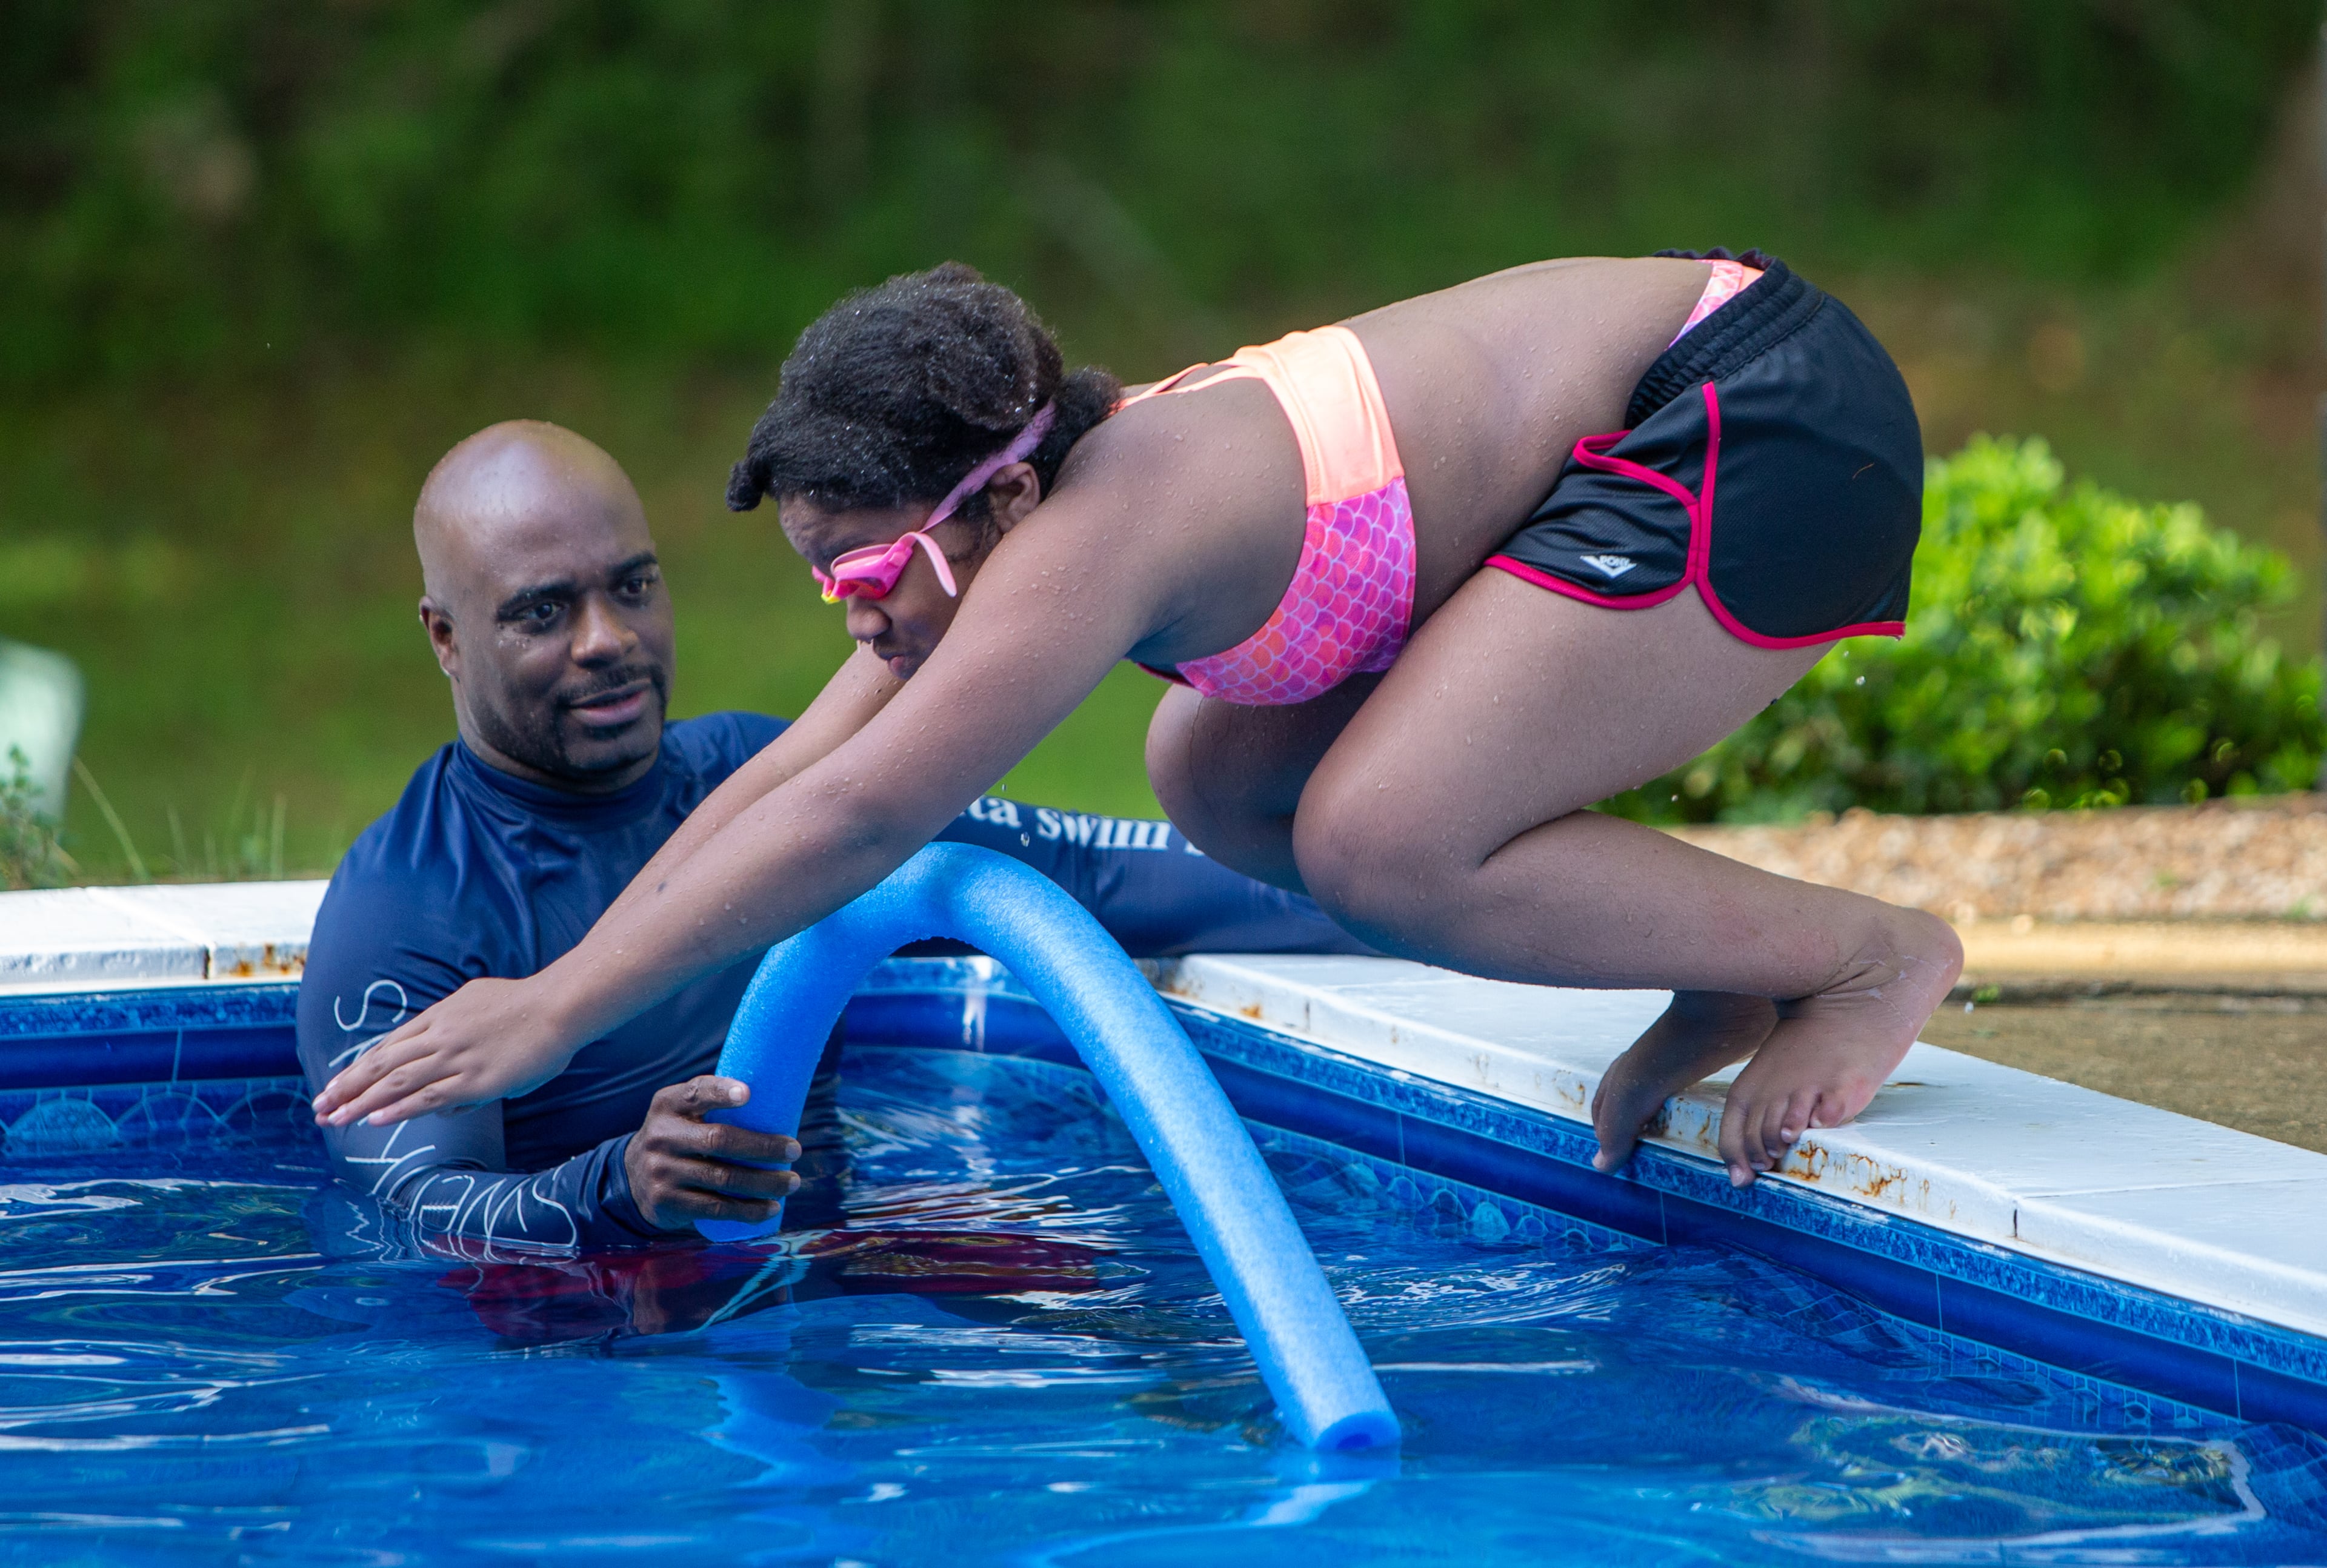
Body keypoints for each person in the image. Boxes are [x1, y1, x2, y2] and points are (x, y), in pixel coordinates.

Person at [316, 253, 1964, 1191]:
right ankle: (1726, 958)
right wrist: (563, 971)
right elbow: (806, 768)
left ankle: (1867, 954)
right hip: (1638, 439)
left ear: (999, 497)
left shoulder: (1097, 533)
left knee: (1384, 834)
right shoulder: (1014, 517)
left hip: (1749, 416)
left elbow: (859, 818)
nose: (860, 614)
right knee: (1215, 770)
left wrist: (550, 1013)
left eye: (875, 569)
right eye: (828, 585)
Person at [298, 420, 1365, 1251]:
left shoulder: (780, 792)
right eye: (543, 613)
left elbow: (1085, 877)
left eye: (633, 588)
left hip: (822, 1288)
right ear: (445, 638)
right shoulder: (411, 907)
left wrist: (1382, 900)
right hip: (581, 1367)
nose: (608, 642)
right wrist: (618, 1186)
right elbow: (409, 1222)